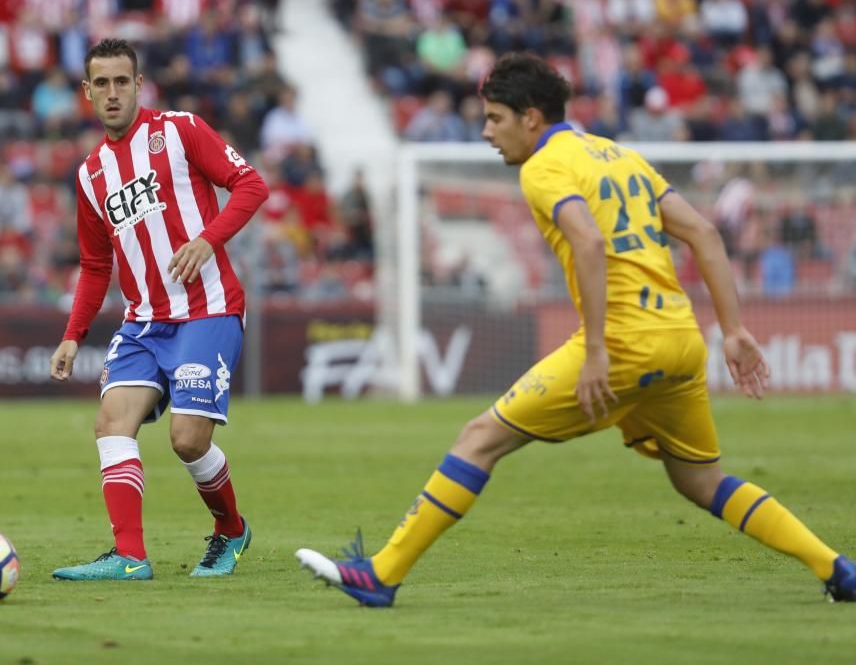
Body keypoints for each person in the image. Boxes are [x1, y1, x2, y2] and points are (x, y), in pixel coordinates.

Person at [295, 52, 856, 607]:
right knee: (701, 481)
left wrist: (594, 351)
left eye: (495, 118)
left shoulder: (544, 167)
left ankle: (382, 575)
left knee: (479, 438)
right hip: (682, 340)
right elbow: (704, 232)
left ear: (531, 117)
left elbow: (586, 241)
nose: (487, 133)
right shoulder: (620, 156)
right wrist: (732, 331)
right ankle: (836, 568)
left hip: (622, 342)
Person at [49, 39, 269, 581]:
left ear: (138, 84)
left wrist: (207, 240)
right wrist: (73, 334)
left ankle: (230, 529)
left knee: (188, 440)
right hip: (144, 322)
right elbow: (96, 265)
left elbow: (251, 184)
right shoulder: (90, 174)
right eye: (101, 83)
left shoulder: (179, 129)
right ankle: (129, 557)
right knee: (111, 422)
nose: (112, 93)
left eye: (122, 81)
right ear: (87, 92)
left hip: (207, 311)